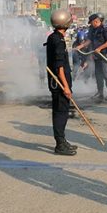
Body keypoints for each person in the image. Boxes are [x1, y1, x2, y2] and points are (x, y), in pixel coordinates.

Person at [45, 9, 78, 156]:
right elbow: (59, 67)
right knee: (60, 113)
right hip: (59, 84)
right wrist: (65, 87)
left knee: (61, 112)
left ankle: (62, 140)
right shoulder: (57, 40)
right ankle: (59, 144)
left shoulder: (54, 37)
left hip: (58, 82)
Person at [77, 13, 107, 101]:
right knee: (98, 74)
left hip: (105, 55)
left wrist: (100, 48)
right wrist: (80, 46)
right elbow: (89, 40)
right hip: (96, 56)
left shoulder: (104, 29)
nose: (91, 24)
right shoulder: (92, 29)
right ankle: (100, 92)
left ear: (96, 21)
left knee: (106, 74)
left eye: (91, 22)